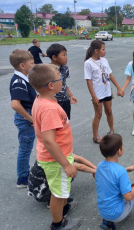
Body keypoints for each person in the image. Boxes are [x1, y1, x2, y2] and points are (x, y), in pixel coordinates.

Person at [28, 64, 81, 230]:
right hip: (56, 160)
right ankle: (58, 223)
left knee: (62, 188)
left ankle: (64, 208)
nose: (63, 81)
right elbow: (49, 140)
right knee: (58, 193)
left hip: (57, 156)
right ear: (51, 85)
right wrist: (66, 164)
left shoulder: (43, 100)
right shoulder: (49, 108)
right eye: (60, 79)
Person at [84, 40, 123, 144]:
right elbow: (88, 81)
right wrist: (93, 96)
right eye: (103, 49)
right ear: (96, 51)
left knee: (109, 111)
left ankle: (111, 131)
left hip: (107, 92)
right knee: (98, 114)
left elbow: (110, 74)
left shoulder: (104, 60)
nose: (105, 51)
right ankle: (95, 136)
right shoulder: (88, 63)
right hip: (97, 94)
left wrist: (118, 88)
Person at [28, 154, 97, 210]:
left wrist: (96, 168)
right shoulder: (56, 159)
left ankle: (60, 200)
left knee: (65, 173)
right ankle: (52, 202)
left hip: (36, 188)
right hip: (41, 193)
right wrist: (96, 171)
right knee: (69, 173)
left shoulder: (53, 152)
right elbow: (80, 166)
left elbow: (78, 158)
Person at [9, 49, 36, 188]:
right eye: (32, 63)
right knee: (25, 149)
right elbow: (15, 104)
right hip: (26, 120)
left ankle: (24, 173)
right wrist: (31, 119)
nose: (34, 64)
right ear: (22, 65)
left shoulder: (23, 78)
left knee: (27, 147)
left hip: (27, 117)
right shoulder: (19, 81)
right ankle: (23, 178)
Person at [47, 44, 77, 120]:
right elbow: (43, 88)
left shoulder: (65, 68)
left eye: (66, 55)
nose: (66, 57)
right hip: (54, 102)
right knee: (56, 125)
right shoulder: (47, 70)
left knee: (65, 122)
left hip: (65, 101)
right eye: (63, 55)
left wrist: (71, 95)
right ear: (54, 57)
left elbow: (64, 84)